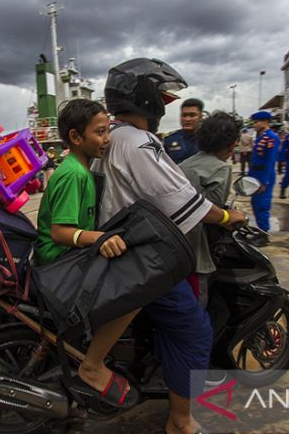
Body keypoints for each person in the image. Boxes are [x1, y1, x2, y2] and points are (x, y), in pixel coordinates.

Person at [92, 58, 246, 434]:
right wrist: (229, 217)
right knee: (194, 330)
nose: (166, 105)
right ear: (146, 99)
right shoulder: (139, 143)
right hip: (141, 255)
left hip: (119, 245)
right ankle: (180, 422)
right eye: (161, 97)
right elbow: (185, 202)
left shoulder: (113, 137)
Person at [35, 99, 138, 408]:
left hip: (68, 256)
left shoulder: (82, 168)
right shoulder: (73, 175)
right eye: (101, 132)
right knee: (134, 292)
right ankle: (92, 364)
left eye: (108, 132)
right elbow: (60, 232)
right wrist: (101, 238)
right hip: (58, 260)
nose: (107, 140)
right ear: (76, 137)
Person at [179, 111, 241, 308]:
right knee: (196, 315)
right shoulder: (221, 169)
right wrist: (230, 217)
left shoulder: (186, 163)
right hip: (195, 253)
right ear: (231, 145)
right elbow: (210, 214)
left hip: (174, 247)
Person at [248, 111, 280, 240]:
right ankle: (260, 230)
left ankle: (264, 234)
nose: (254, 125)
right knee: (255, 203)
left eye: (256, 122)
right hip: (255, 174)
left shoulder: (271, 137)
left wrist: (264, 181)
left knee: (262, 205)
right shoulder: (260, 137)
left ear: (265, 122)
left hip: (263, 176)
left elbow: (270, 161)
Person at [163, 97, 204, 164]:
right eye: (184, 115)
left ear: (200, 116)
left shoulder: (208, 139)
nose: (187, 119)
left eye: (192, 115)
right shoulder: (170, 139)